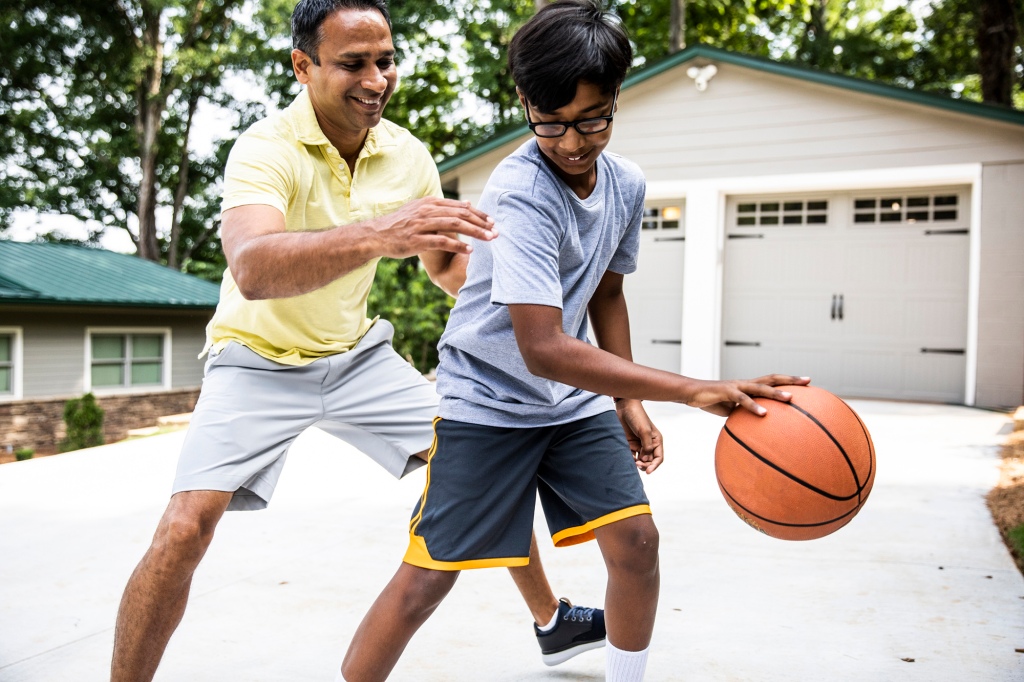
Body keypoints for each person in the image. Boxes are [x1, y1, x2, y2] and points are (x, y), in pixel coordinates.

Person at [109, 1, 606, 680]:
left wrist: (529, 313)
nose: (376, 78)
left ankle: (552, 623)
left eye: (385, 60)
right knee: (184, 528)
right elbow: (252, 268)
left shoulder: (406, 155)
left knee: (478, 457)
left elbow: (445, 265)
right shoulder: (265, 148)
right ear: (303, 65)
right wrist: (381, 234)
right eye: (353, 63)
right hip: (255, 361)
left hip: (358, 357)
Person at [338, 2, 810, 681]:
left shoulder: (626, 183)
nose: (571, 141)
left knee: (637, 542)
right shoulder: (521, 191)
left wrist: (629, 404)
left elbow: (607, 293)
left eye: (591, 119)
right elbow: (544, 347)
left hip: (572, 403)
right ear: (526, 103)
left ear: (615, 99)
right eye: (550, 122)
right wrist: (688, 390)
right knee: (427, 581)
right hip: (488, 402)